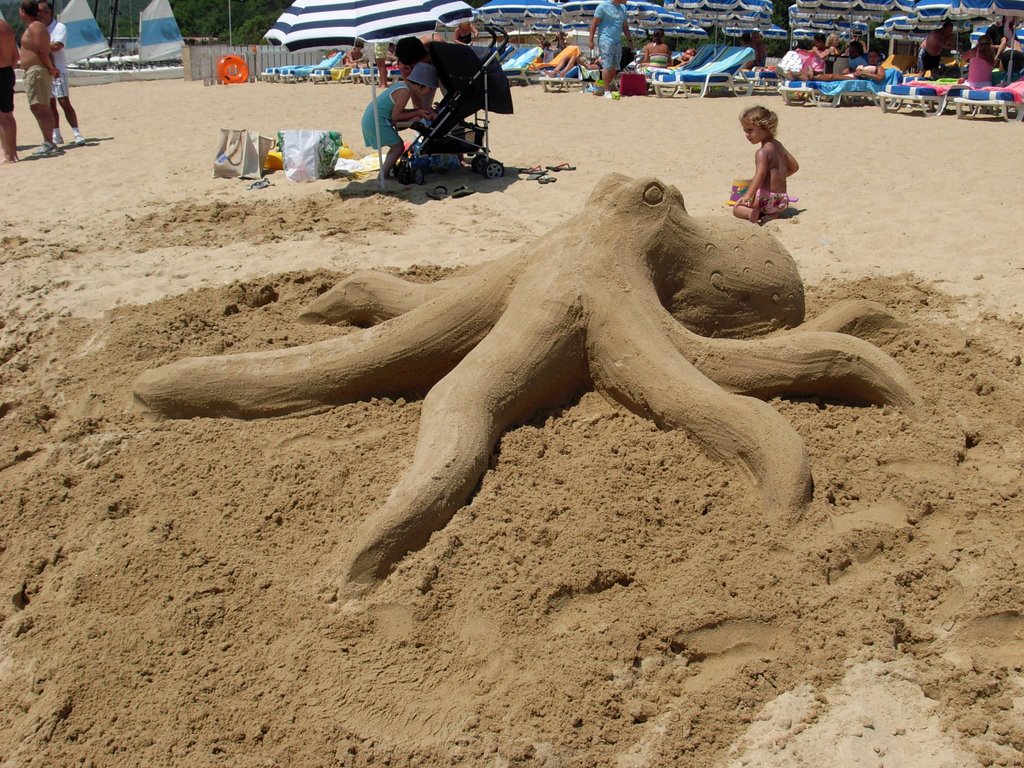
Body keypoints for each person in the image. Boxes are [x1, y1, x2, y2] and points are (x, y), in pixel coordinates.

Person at [361, 61, 437, 180]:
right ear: (421, 85)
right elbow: (395, 116)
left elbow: (397, 112)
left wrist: (418, 112)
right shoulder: (404, 91)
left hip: (372, 119)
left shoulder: (402, 86)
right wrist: (417, 112)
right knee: (398, 147)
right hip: (376, 121)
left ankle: (384, 174)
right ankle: (382, 176)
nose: (430, 91)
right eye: (430, 88)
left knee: (397, 145)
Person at [733, 105, 798, 225]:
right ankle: (773, 215)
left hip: (764, 199)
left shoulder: (762, 152)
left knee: (736, 209)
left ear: (765, 128)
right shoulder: (779, 146)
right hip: (781, 201)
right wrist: (779, 177)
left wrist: (747, 196)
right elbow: (794, 167)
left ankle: (750, 213)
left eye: (750, 130)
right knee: (770, 208)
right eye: (745, 130)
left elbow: (760, 174)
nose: (747, 135)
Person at [37, 0, 84, 146]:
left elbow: (57, 46)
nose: (38, 14)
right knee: (50, 105)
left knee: (64, 102)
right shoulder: (39, 28)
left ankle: (77, 133)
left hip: (59, 70)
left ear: (48, 12)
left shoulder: (59, 27)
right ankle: (56, 134)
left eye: (41, 11)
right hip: (45, 70)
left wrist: (41, 45)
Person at [18, 0, 59, 156]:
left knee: (40, 107)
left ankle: (49, 142)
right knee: (39, 106)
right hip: (35, 70)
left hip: (37, 71)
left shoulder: (35, 26)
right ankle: (49, 141)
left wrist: (50, 68)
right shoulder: (36, 26)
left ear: (23, 12)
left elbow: (42, 51)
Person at [588, 0, 631, 98]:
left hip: (617, 41)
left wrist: (630, 41)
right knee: (607, 65)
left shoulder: (623, 8)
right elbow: (594, 24)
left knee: (615, 67)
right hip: (605, 39)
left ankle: (602, 86)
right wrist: (591, 40)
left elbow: (625, 26)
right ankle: (607, 90)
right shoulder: (603, 6)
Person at [0, 15, 17, 163]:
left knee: (3, 117)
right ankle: (12, 152)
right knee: (8, 115)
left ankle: (8, 155)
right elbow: (15, 56)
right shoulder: (6, 26)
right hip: (7, 72)